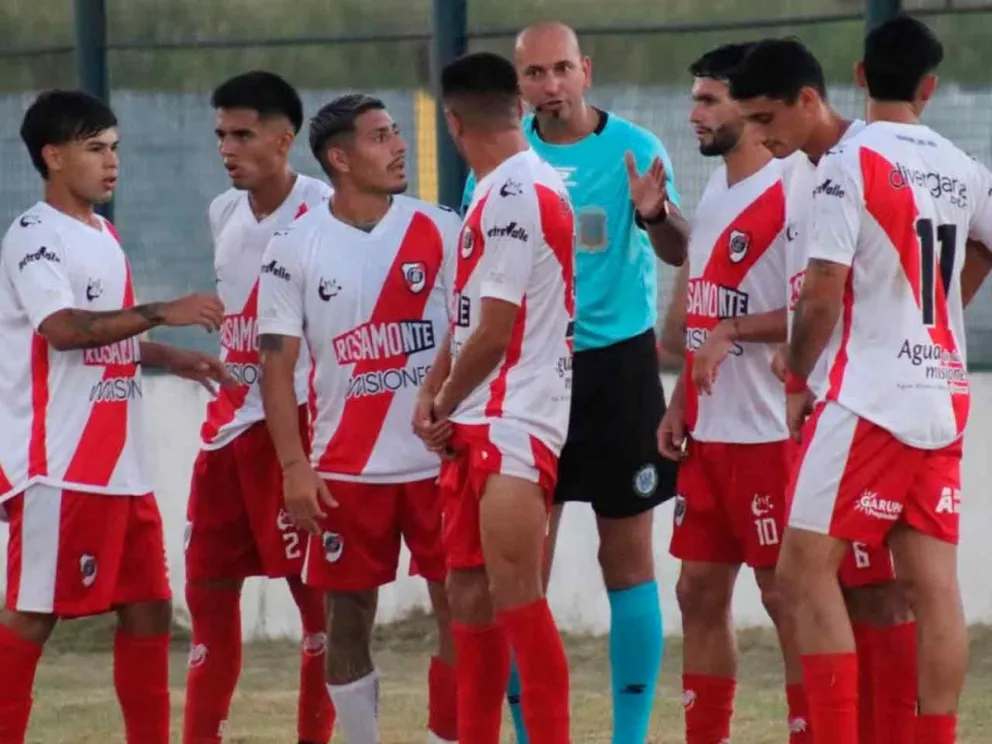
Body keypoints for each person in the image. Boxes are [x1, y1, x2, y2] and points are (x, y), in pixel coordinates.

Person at [459, 22, 687, 743]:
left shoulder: (637, 150)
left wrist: (655, 214)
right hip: (529, 378)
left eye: (562, 69)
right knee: (525, 568)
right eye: (535, 74)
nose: (551, 85)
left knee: (626, 557)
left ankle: (628, 735)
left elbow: (678, 248)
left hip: (617, 369)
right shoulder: (498, 161)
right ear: (518, 85)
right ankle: (534, 733)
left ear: (585, 70)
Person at [775, 16, 992, 743]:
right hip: (943, 397)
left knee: (803, 576)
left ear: (860, 77)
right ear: (930, 87)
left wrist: (796, 371)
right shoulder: (962, 167)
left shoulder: (850, 158)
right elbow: (986, 246)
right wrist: (937, 312)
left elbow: (823, 288)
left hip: (869, 395)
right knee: (935, 592)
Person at [0, 90, 232, 744]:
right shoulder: (33, 236)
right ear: (52, 156)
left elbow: (107, 337)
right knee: (31, 615)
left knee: (151, 610)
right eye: (95, 148)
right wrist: (162, 311)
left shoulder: (103, 233)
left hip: (119, 470)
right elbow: (64, 330)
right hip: (61, 466)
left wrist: (167, 356)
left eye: (115, 148)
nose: (112, 163)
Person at [728, 37, 916, 744]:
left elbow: (825, 299)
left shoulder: (867, 157)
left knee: (856, 586)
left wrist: (913, 337)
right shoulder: (796, 172)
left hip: (867, 404)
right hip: (837, 402)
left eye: (767, 118)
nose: (761, 135)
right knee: (842, 585)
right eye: (750, 121)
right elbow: (814, 295)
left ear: (811, 99)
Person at [256, 93, 459, 744]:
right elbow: (277, 367)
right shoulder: (294, 248)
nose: (399, 146)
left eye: (397, 132)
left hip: (437, 460)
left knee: (458, 606)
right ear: (340, 158)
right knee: (346, 614)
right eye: (380, 137)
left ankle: (444, 737)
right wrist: (294, 467)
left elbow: (476, 333)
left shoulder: (443, 230)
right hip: (346, 467)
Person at [657, 42, 812, 744]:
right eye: (695, 98)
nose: (694, 114)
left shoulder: (794, 190)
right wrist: (678, 400)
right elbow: (702, 299)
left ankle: (817, 728)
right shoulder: (719, 189)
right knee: (697, 592)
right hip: (709, 433)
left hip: (769, 434)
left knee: (788, 598)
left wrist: (732, 330)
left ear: (751, 109)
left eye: (708, 100)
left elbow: (819, 308)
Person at [420, 49, 575, 744]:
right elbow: (467, 319)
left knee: (518, 599)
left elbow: (497, 328)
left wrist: (443, 401)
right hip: (475, 414)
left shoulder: (517, 192)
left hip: (515, 418)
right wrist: (435, 388)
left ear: (453, 123)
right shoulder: (490, 191)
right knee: (470, 599)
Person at [182, 71, 334, 744]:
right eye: (220, 135)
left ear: (284, 138)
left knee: (319, 608)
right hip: (225, 432)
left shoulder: (326, 211)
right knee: (208, 595)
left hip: (296, 428)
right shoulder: (223, 212)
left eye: (242, 135)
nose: (227, 148)